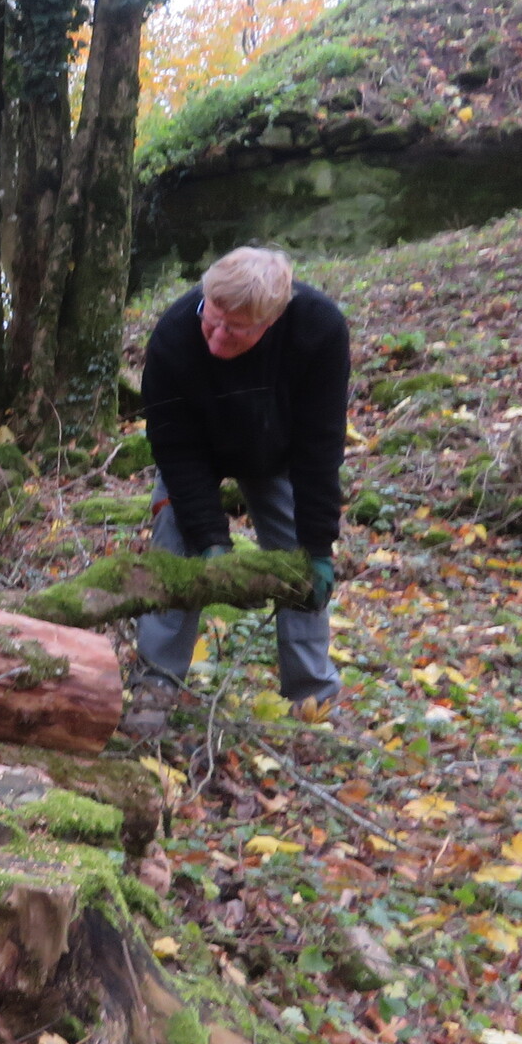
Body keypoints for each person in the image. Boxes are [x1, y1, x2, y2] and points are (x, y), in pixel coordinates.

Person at [135, 245, 350, 710]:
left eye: (234, 331)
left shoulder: (318, 329)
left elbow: (320, 445)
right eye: (211, 321)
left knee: (298, 561)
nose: (216, 339)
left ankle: (313, 692)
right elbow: (175, 448)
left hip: (280, 451)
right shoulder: (174, 334)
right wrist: (211, 541)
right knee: (175, 547)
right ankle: (156, 682)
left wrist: (318, 547)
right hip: (197, 451)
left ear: (270, 321)